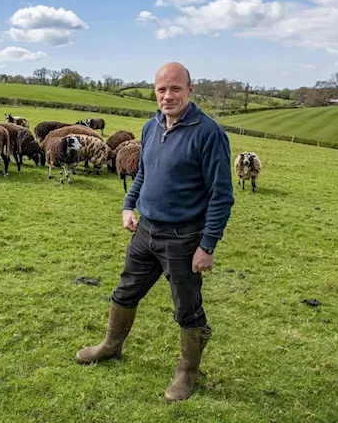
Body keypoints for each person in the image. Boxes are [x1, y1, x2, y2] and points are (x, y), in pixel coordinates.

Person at [75, 62, 235, 402]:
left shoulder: (209, 134)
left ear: (190, 91)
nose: (167, 95)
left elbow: (222, 196)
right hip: (145, 232)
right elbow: (143, 174)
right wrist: (128, 205)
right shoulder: (150, 128)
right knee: (125, 291)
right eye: (161, 89)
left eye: (175, 88)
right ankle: (111, 345)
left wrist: (207, 246)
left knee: (187, 308)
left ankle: (187, 373)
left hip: (183, 238)